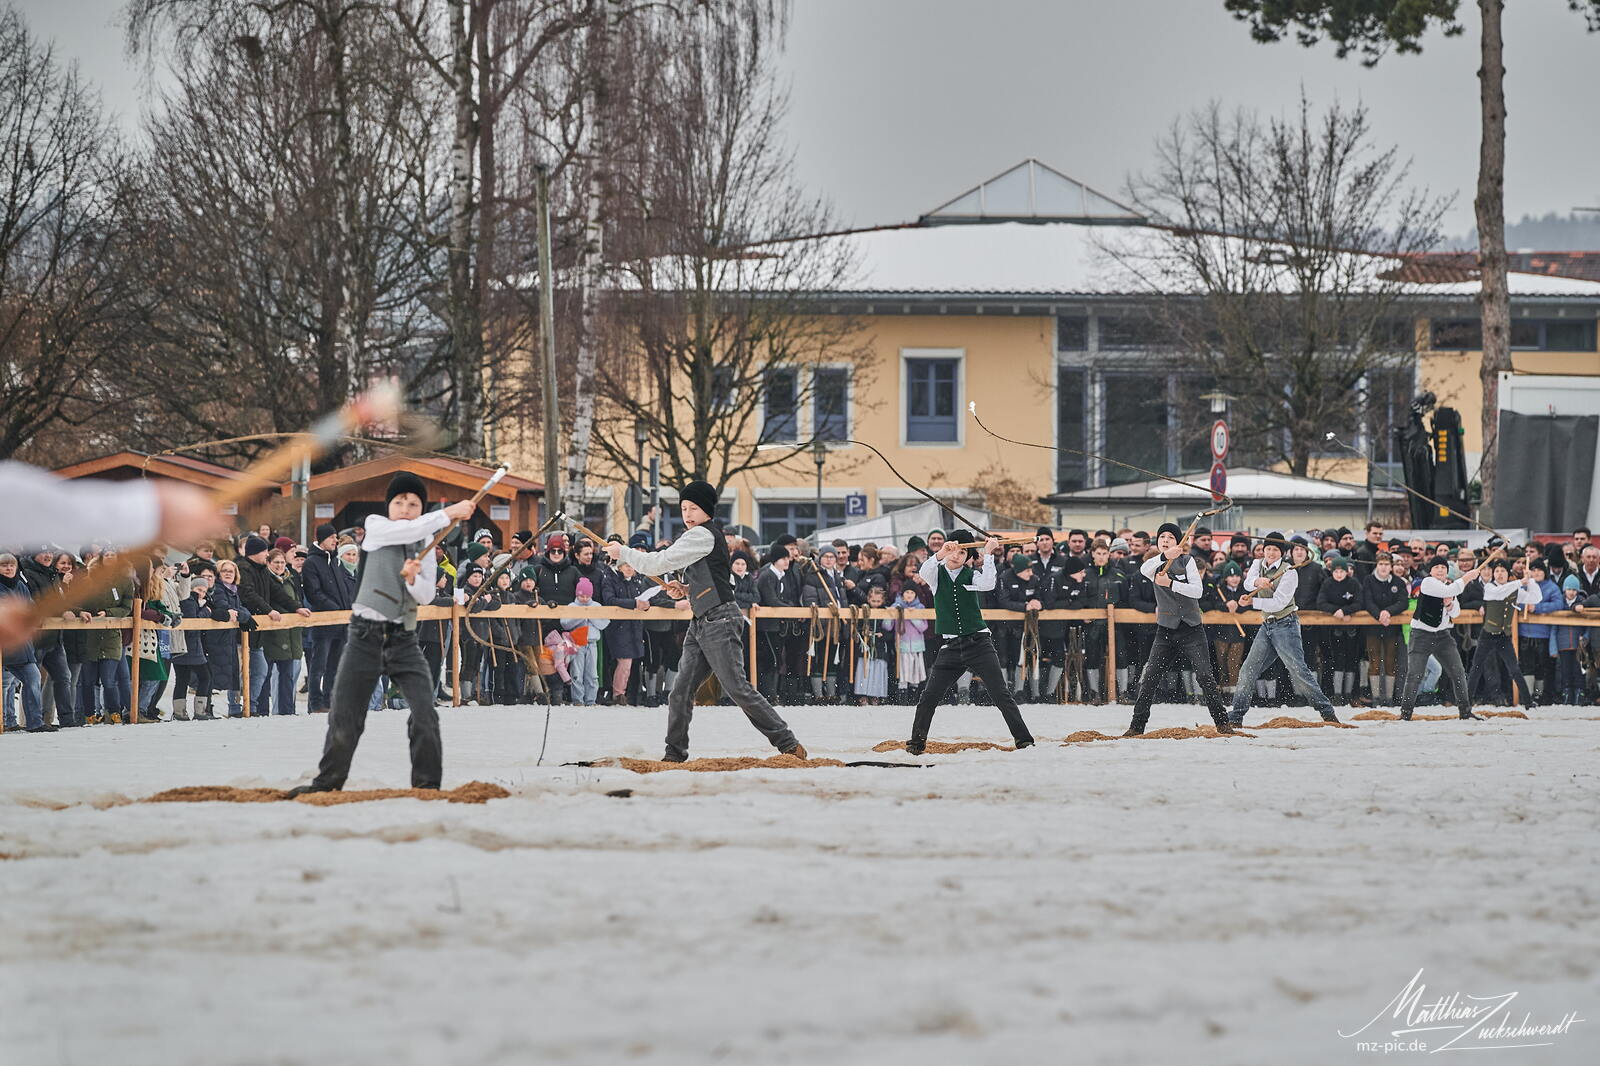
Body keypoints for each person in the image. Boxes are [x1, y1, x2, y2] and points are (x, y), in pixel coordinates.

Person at [287, 475, 475, 796]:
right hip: (364, 636)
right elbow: (404, 530)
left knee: (425, 714)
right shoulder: (376, 526)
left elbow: (427, 595)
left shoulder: (425, 545)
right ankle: (327, 782)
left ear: (421, 508)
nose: (405, 508)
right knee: (345, 715)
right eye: (399, 502)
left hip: (403, 638)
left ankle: (427, 786)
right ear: (388, 506)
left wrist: (415, 578)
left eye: (413, 504)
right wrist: (449, 513)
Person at [603, 480, 807, 762]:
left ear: (707, 510)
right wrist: (686, 589)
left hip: (720, 621)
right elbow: (712, 577)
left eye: (694, 508)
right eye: (684, 508)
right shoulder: (701, 536)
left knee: (737, 688)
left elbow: (657, 563)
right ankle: (674, 754)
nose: (688, 514)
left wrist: (623, 552)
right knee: (680, 692)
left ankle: (788, 743)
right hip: (702, 620)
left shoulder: (701, 535)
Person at [904, 531, 1034, 756]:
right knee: (928, 698)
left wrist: (989, 553)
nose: (956, 555)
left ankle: (1024, 740)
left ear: (969, 558)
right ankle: (916, 744)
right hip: (950, 647)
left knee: (1001, 694)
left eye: (962, 552)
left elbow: (988, 584)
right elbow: (925, 571)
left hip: (979, 644)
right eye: (954, 550)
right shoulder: (937, 574)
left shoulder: (971, 575)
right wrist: (941, 552)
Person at [1125, 523, 1234, 736]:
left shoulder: (1188, 561)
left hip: (1191, 629)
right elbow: (1142, 570)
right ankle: (1136, 727)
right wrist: (1164, 556)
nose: (1165, 540)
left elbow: (1197, 591)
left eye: (1170, 537)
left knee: (1205, 676)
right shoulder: (1153, 565)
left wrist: (1171, 583)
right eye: (1162, 537)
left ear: (1179, 542)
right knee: (1150, 678)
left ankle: (1223, 723)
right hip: (1165, 630)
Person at [1223, 534, 1340, 726]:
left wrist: (1254, 601)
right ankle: (1236, 717)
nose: (1270, 552)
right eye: (1268, 548)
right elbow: (1247, 581)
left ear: (1281, 553)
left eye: (1275, 550)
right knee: (1248, 670)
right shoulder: (1257, 564)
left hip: (1286, 625)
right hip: (1267, 625)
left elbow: (1279, 603)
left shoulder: (1290, 572)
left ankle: (1327, 712)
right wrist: (1257, 582)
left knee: (1299, 671)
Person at [1397, 555, 1487, 721]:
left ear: (1447, 572)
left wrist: (1449, 605)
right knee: (1415, 675)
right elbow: (1451, 591)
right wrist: (1467, 577)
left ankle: (1465, 711)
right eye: (1437, 567)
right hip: (1421, 635)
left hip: (1443, 636)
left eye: (1443, 568)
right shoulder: (1428, 582)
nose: (1440, 570)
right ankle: (1405, 714)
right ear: (1431, 571)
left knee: (1458, 672)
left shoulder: (1450, 586)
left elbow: (1456, 613)